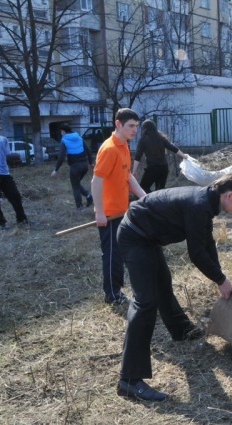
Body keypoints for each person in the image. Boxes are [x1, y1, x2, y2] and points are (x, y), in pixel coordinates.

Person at [115, 171, 232, 401]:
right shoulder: (199, 205)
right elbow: (196, 254)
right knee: (145, 302)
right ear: (229, 195)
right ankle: (129, 380)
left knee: (163, 285)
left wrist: (221, 277)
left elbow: (207, 243)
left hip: (148, 239)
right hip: (135, 237)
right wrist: (220, 279)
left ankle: (182, 330)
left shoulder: (207, 202)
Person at [91, 108, 146, 305]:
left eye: (137, 126)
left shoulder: (124, 146)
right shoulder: (109, 149)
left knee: (120, 253)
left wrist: (144, 197)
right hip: (109, 215)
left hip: (121, 211)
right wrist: (100, 212)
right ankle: (112, 295)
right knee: (112, 255)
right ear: (118, 124)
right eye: (131, 126)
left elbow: (128, 176)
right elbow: (96, 182)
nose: (134, 130)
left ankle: (117, 290)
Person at [132, 120, 188, 193]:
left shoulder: (143, 140)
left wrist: (134, 171)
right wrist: (183, 155)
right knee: (160, 191)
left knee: (143, 188)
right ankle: (157, 200)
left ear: (144, 129)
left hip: (152, 168)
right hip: (164, 168)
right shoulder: (161, 138)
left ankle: (151, 200)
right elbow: (172, 147)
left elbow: (137, 156)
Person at [50, 123, 94, 210]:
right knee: (76, 183)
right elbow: (88, 150)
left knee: (75, 186)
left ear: (63, 131)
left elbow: (61, 157)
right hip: (84, 165)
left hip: (75, 166)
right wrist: (90, 163)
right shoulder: (78, 137)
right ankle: (88, 196)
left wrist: (56, 169)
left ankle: (79, 207)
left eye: (61, 132)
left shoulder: (64, 140)